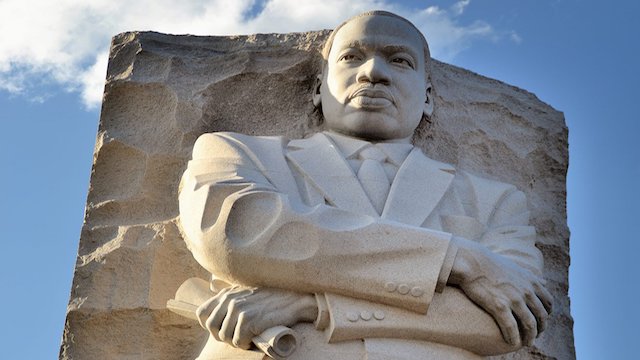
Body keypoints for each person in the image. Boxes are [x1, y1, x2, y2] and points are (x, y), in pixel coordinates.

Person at [177, 10, 552, 360]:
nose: (373, 72)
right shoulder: (238, 153)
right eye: (351, 57)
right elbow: (238, 235)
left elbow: (509, 322)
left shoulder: (494, 200)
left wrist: (314, 305)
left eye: (400, 60)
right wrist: (459, 260)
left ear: (428, 99)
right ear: (317, 89)